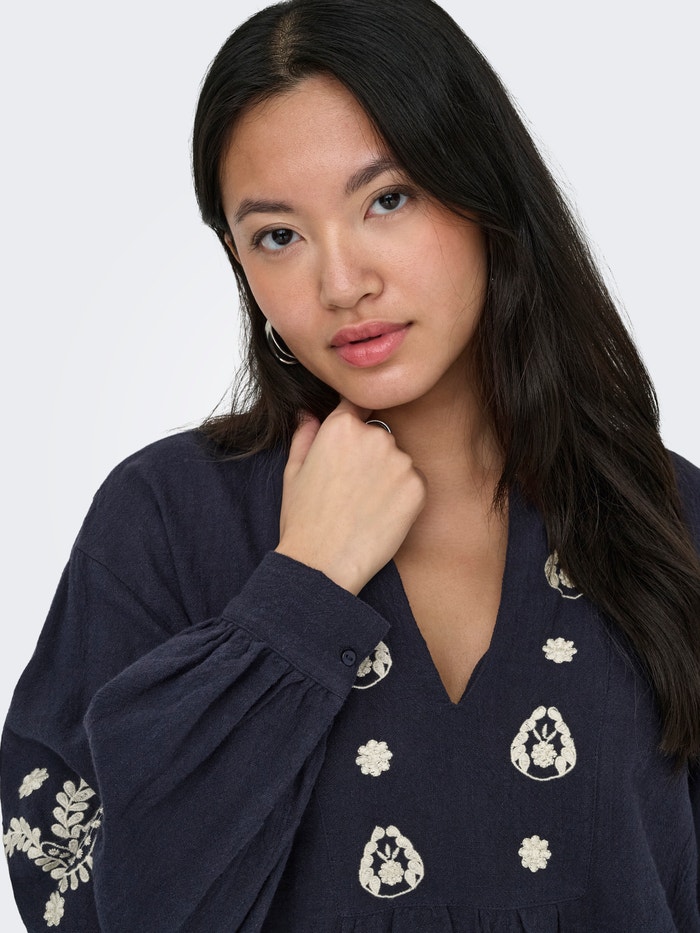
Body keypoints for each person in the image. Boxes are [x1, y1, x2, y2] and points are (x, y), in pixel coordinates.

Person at [2, 0, 700, 929]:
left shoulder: (666, 513)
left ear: (485, 193)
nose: (341, 283)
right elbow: (84, 890)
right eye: (278, 236)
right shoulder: (164, 520)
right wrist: (304, 588)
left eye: (388, 199)